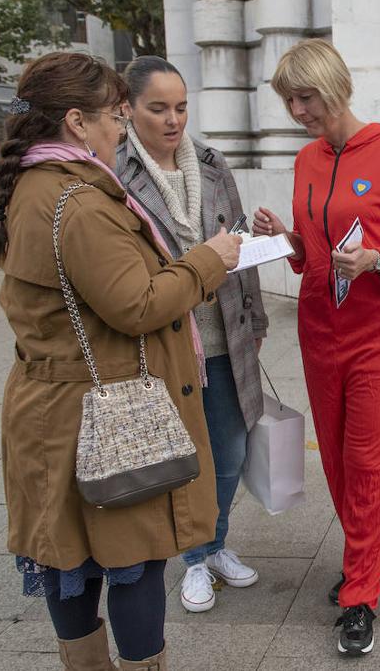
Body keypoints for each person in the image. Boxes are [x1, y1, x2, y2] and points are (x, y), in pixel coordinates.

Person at [0, 52, 240, 669]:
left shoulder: (37, 186)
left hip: (55, 410)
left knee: (69, 559)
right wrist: (209, 260)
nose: (119, 130)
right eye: (113, 117)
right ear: (75, 122)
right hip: (101, 415)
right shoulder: (79, 202)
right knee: (132, 560)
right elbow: (139, 304)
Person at [251, 39, 380, 656]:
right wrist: (286, 237)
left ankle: (360, 593)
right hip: (320, 327)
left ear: (334, 88)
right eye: (289, 100)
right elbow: (313, 249)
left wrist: (378, 258)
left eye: (305, 96)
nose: (298, 110)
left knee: (368, 459)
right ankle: (377, 553)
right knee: (335, 456)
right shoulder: (307, 161)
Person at [116, 56, 268, 614]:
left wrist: (254, 319)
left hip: (224, 334)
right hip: (164, 345)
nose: (173, 119)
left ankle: (216, 541)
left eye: (181, 106)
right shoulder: (114, 173)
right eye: (158, 108)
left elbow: (237, 245)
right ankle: (194, 561)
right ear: (128, 109)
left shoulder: (209, 163)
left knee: (228, 452)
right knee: (181, 456)